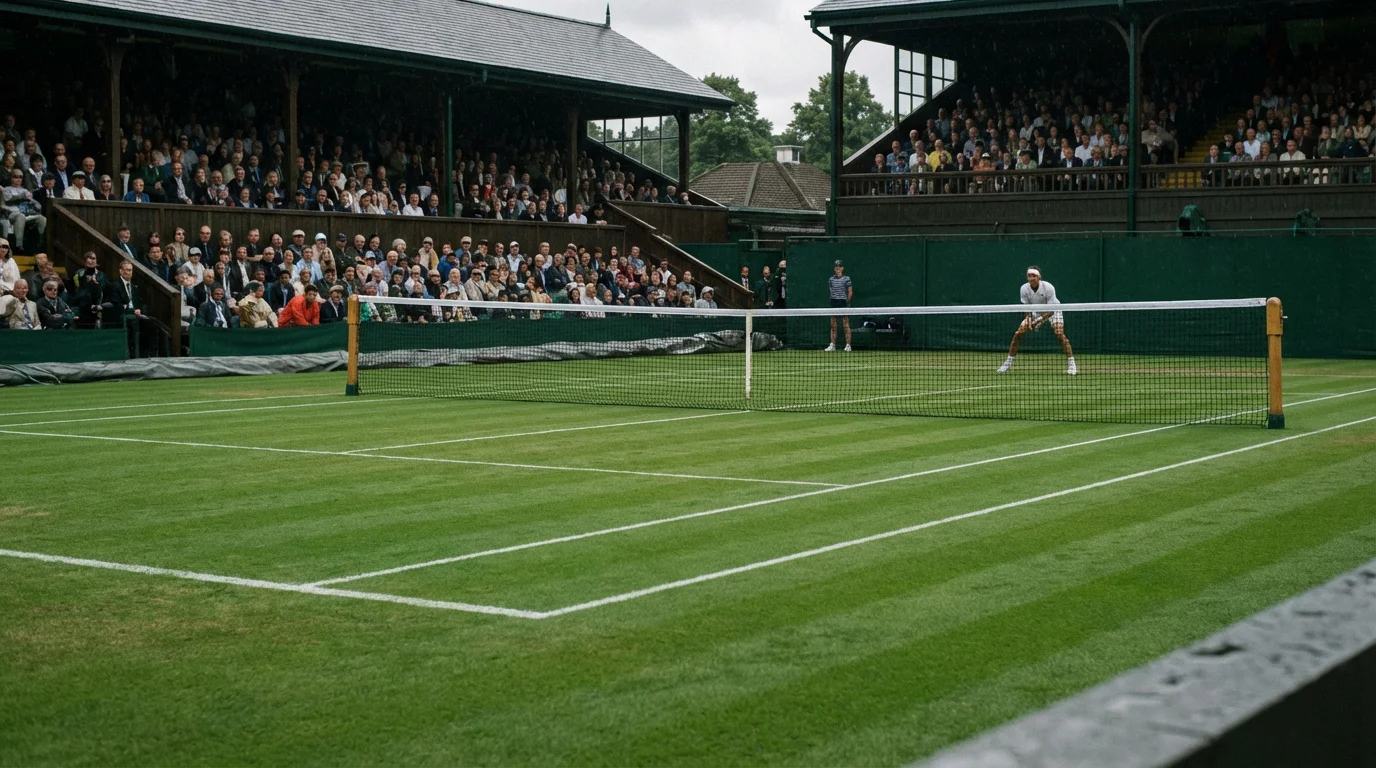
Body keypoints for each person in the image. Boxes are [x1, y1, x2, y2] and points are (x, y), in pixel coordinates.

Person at [997, 266, 1076, 375]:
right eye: (1029, 276)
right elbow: (1026, 308)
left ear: (1039, 277)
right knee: (1018, 333)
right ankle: (1008, 363)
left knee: (1059, 333)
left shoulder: (1048, 287)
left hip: (1053, 310)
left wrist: (1039, 320)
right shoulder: (1024, 289)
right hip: (1035, 311)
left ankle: (1072, 364)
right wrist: (1028, 319)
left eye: (1034, 276)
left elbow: (1051, 311)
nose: (1031, 278)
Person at [825, 259, 852, 352]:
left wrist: (847, 302)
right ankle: (832, 345)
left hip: (843, 302)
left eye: (839, 267)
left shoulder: (847, 279)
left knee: (846, 324)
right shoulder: (831, 279)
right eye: (836, 267)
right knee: (833, 325)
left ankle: (848, 345)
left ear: (842, 268)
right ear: (834, 268)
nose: (838, 269)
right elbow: (831, 291)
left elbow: (850, 292)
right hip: (834, 302)